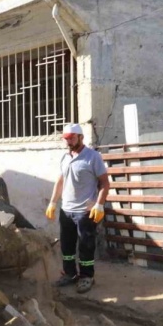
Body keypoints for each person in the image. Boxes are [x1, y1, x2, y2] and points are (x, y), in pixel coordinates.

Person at [45, 123, 110, 294]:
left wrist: (100, 204)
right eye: (65, 138)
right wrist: (53, 202)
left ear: (81, 137)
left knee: (85, 245)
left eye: (71, 138)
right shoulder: (65, 157)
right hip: (66, 210)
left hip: (85, 211)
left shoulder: (93, 157)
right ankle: (69, 274)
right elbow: (60, 181)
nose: (68, 141)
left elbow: (104, 182)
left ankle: (87, 276)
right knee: (66, 246)